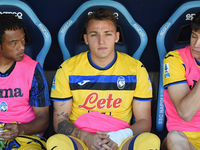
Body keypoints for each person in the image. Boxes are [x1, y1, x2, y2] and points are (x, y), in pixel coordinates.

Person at [47, 8, 160, 150]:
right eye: (94, 35)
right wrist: (85, 137)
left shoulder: (136, 69)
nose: (101, 41)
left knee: (150, 140)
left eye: (108, 34)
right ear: (86, 38)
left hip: (121, 139)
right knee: (55, 142)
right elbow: (59, 121)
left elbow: (144, 121)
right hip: (81, 140)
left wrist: (119, 136)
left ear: (116, 37)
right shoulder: (68, 69)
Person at [0, 14, 51, 149]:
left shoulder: (33, 69)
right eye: (14, 42)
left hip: (25, 136)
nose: (21, 47)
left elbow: (43, 118)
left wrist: (20, 129)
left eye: (23, 40)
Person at [161, 11, 200, 150]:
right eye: (194, 36)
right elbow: (185, 113)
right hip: (184, 137)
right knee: (175, 138)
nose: (196, 44)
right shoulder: (174, 59)